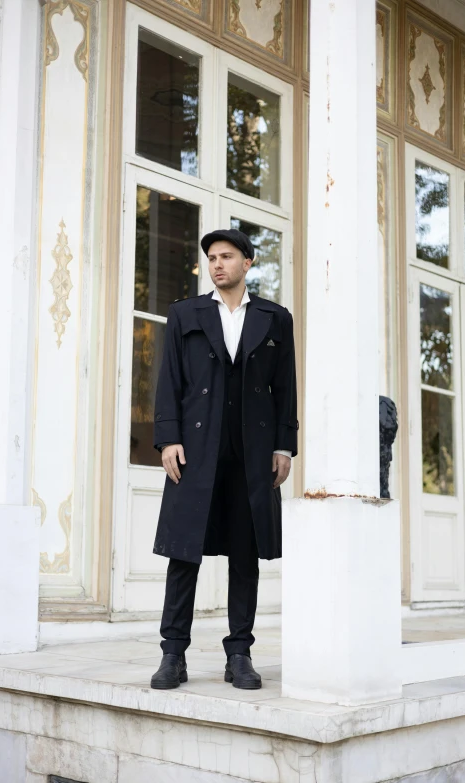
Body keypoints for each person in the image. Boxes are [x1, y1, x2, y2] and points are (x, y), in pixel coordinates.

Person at [150, 228, 298, 690]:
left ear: (247, 263)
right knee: (183, 553)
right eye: (211, 258)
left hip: (251, 455)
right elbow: (169, 381)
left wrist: (283, 445)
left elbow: (285, 389)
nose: (217, 264)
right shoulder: (185, 313)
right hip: (195, 452)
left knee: (244, 554)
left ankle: (239, 654)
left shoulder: (275, 319)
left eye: (227, 256)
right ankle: (173, 654)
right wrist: (168, 438)